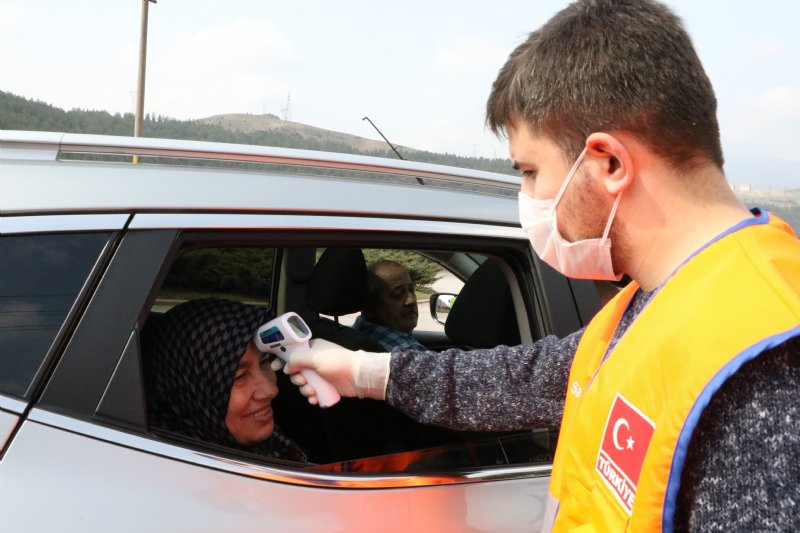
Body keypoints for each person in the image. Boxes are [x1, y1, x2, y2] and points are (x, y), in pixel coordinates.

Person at [281, 0, 799, 531]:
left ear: (610, 163)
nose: (526, 197)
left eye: (529, 171)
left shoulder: (768, 370)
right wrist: (362, 371)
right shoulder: (656, 301)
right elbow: (523, 381)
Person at [144, 298, 306, 463]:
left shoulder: (270, 446)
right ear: (188, 391)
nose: (271, 390)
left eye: (265, 361)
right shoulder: (177, 472)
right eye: (240, 376)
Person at [352, 260, 427, 351]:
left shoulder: (356, 330)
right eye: (397, 294)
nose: (411, 300)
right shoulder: (411, 353)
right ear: (371, 303)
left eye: (411, 290)